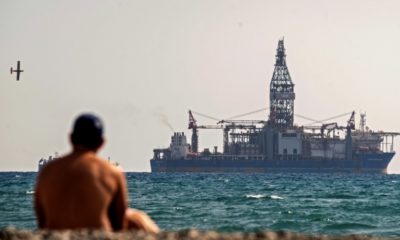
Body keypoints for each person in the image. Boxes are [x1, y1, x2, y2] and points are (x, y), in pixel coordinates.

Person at [34, 113, 159, 233]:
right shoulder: (112, 172)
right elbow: (119, 223)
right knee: (136, 217)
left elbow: (41, 220)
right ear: (101, 143)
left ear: (71, 138)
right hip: (100, 233)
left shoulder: (47, 171)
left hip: (54, 235)